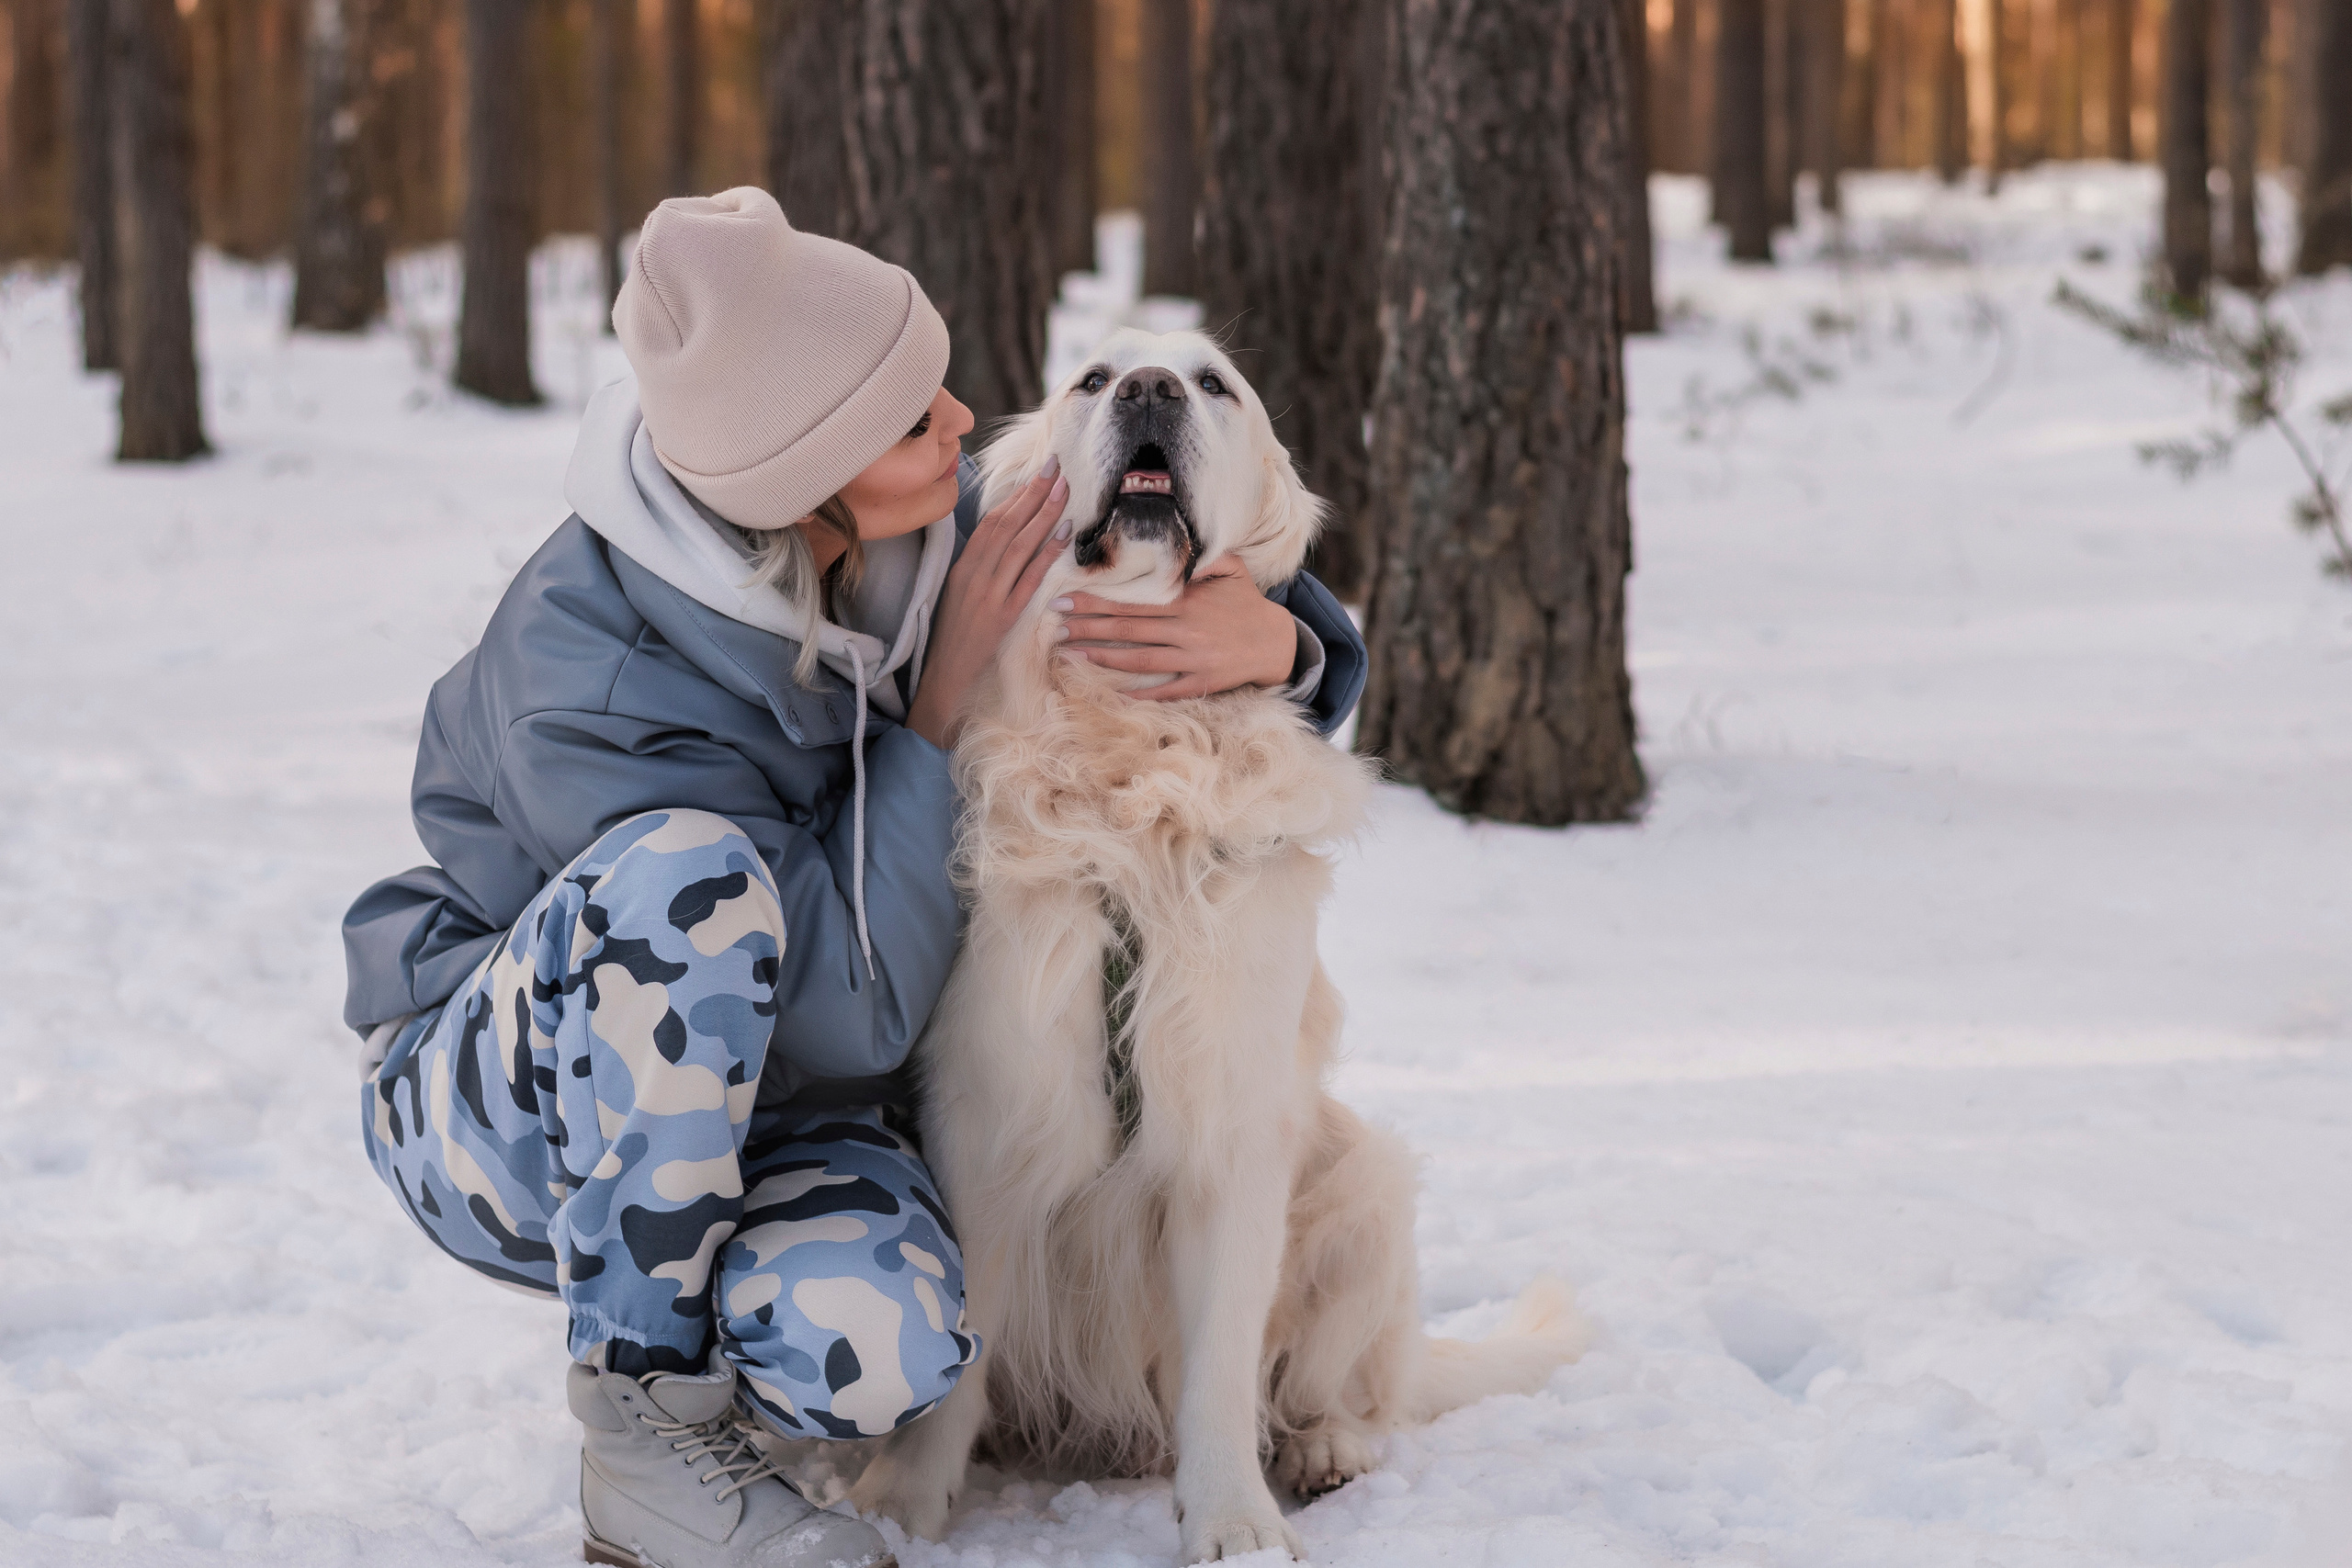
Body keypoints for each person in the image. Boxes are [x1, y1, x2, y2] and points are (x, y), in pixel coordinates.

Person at [339, 187, 1366, 1568]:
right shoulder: (585, 683)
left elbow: (1145, 541)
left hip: (774, 1098)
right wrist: (939, 716)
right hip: (519, 1098)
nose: (957, 429)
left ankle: (750, 1344)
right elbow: (835, 1011)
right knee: (686, 881)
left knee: (875, 1348)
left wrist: (1287, 647)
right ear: (808, 468)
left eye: (944, 395)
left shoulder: (889, 516)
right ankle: (644, 1424)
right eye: (911, 414)